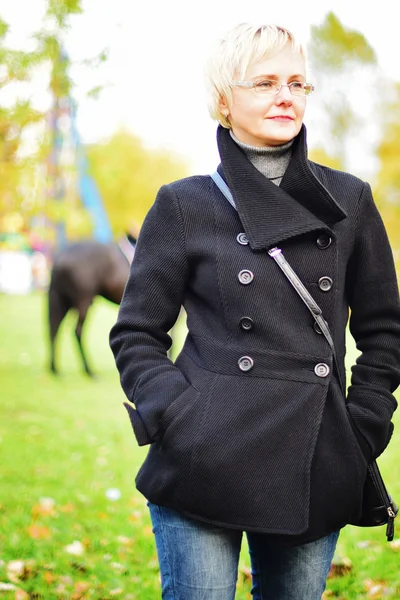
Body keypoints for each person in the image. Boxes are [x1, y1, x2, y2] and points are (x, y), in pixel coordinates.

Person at [109, 23, 400, 600]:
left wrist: (362, 424)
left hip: (314, 455)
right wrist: (173, 410)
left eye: (296, 82)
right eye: (264, 82)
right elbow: (138, 330)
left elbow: (384, 332)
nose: (285, 95)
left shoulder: (351, 201)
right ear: (224, 101)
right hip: (201, 454)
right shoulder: (183, 203)